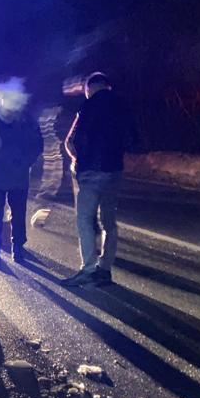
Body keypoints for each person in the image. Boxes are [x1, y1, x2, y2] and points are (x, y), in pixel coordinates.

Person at [62, 72, 135, 286]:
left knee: (85, 219)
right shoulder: (123, 105)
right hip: (114, 170)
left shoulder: (88, 106)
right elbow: (133, 139)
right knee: (109, 221)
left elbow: (73, 140)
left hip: (91, 171)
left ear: (89, 88)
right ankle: (105, 268)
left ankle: (88, 269)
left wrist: (79, 160)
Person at [0, 105, 43, 263]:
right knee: (13, 214)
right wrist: (25, 163)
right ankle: (14, 249)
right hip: (15, 176)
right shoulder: (25, 122)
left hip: (2, 176)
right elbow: (37, 146)